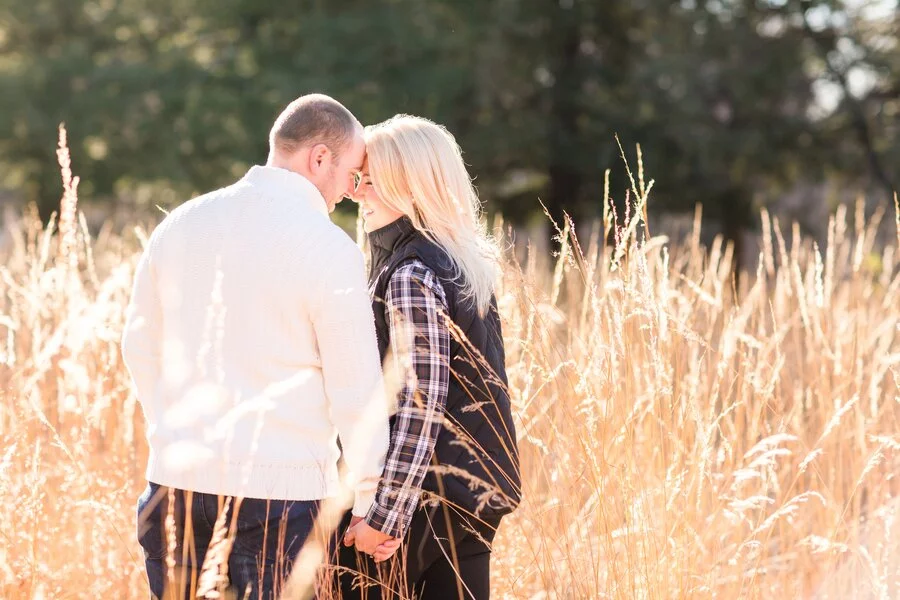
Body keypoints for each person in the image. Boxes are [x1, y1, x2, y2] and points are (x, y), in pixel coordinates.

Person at [121, 93, 393, 600]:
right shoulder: (329, 248)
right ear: (319, 158)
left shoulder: (179, 223)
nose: (350, 192)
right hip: (279, 499)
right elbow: (355, 391)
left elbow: (139, 345)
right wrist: (373, 497)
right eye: (352, 175)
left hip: (174, 487)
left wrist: (174, 434)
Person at [337, 115, 522, 599]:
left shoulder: (410, 274)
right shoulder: (459, 264)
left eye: (371, 181)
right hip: (466, 502)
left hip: (415, 513)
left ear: (410, 187)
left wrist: (384, 515)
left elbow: (421, 404)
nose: (357, 194)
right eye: (357, 180)